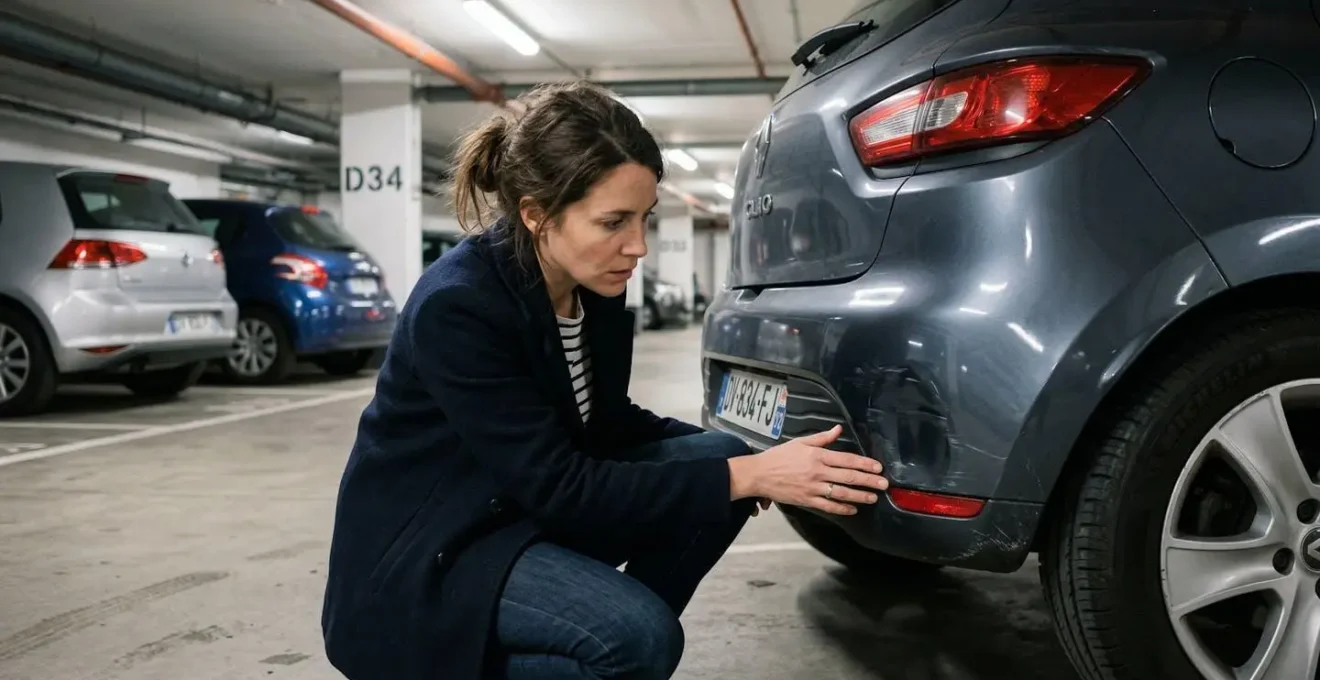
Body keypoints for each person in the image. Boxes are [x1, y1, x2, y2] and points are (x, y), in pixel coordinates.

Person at [319, 80, 891, 680]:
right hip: (440, 551)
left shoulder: (592, 286)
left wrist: (755, 462)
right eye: (613, 221)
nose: (637, 246)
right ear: (536, 214)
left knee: (720, 460)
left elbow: (607, 423)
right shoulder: (460, 307)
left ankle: (600, 649)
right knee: (638, 634)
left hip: (518, 506)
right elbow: (560, 484)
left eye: (644, 218)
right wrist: (747, 474)